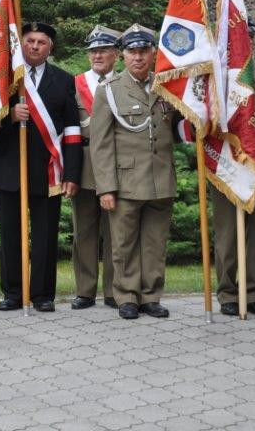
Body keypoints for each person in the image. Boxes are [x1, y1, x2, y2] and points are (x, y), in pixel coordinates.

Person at [90, 24, 181, 320]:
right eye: (132, 52)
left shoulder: (168, 86)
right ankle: (127, 295)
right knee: (124, 242)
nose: (138, 57)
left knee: (155, 242)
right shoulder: (109, 91)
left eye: (143, 51)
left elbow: (181, 127)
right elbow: (101, 145)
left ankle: (151, 296)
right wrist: (105, 188)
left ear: (153, 54)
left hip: (160, 178)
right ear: (123, 55)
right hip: (126, 180)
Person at [0, 22, 82, 312]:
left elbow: (72, 131)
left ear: (50, 47)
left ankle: (42, 294)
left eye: (41, 42)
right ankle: (14, 293)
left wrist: (72, 173)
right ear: (21, 44)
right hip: (9, 169)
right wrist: (9, 117)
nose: (34, 46)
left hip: (48, 171)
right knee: (10, 234)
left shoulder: (64, 80)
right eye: (29, 40)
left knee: (44, 236)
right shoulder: (4, 78)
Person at [210, 19, 255, 317]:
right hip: (227, 166)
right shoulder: (215, 71)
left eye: (248, 33)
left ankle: (251, 293)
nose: (244, 38)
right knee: (227, 234)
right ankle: (228, 293)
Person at [70, 25, 121, 310]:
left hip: (117, 162)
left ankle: (114, 290)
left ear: (116, 54)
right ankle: (85, 290)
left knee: (115, 230)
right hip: (86, 162)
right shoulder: (76, 83)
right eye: (93, 51)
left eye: (103, 50)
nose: (97, 55)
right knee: (84, 230)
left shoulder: (124, 83)